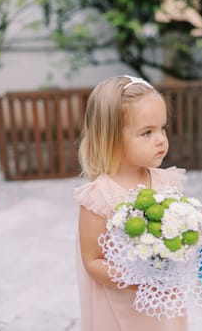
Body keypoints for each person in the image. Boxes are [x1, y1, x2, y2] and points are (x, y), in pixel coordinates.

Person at [73, 75, 188, 331]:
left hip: (162, 303)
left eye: (163, 128)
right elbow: (92, 260)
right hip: (121, 307)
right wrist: (138, 275)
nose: (160, 139)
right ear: (112, 138)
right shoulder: (99, 197)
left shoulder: (166, 182)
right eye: (147, 132)